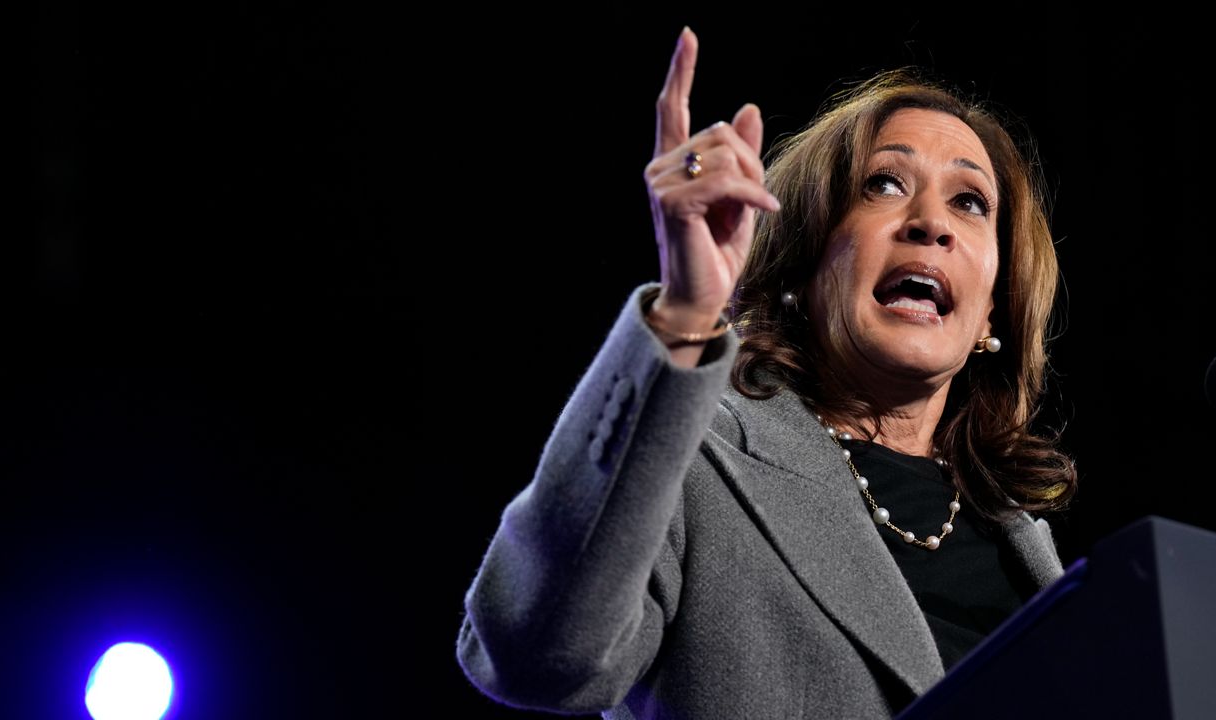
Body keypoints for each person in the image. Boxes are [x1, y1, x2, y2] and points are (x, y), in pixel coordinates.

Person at [456, 26, 1077, 719]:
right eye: (884, 184)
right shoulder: (694, 465)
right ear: (803, 266)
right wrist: (688, 310)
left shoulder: (1026, 548)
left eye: (970, 202)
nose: (931, 222)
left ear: (995, 304)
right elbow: (535, 657)